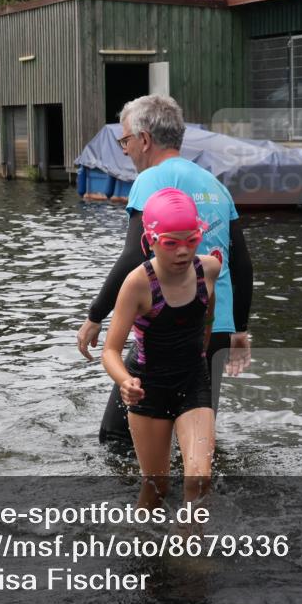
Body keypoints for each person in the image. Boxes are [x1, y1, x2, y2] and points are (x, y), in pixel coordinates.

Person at [76, 95, 253, 444]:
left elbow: (132, 258)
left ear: (144, 139)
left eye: (125, 141)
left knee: (118, 436)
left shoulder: (150, 179)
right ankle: (200, 497)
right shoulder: (215, 183)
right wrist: (239, 330)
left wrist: (96, 314)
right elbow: (243, 265)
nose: (125, 151)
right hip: (215, 327)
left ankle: (140, 497)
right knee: (195, 434)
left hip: (167, 328)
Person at [102, 188, 220, 508]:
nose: (183, 251)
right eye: (171, 242)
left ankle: (188, 555)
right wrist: (125, 381)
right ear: (151, 239)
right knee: (157, 489)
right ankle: (139, 548)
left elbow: (207, 316)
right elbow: (110, 350)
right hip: (149, 387)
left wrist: (204, 351)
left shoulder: (208, 269)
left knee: (199, 479)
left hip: (193, 379)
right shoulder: (138, 283)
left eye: (191, 240)